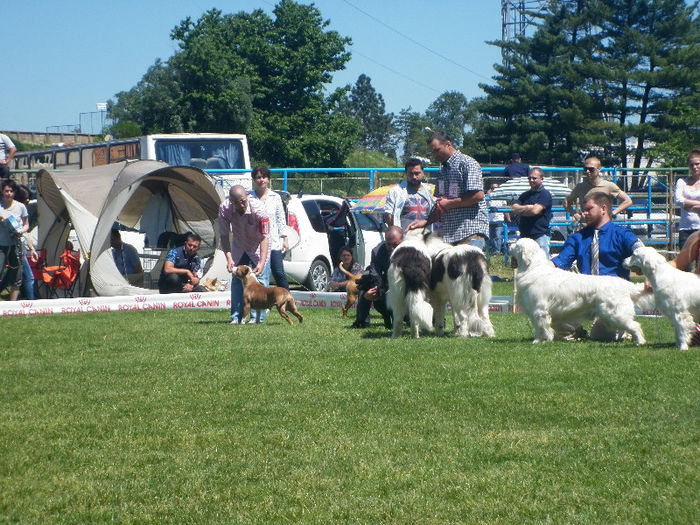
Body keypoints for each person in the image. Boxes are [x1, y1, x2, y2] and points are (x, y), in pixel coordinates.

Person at [407, 131, 489, 249]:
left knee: (470, 267)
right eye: (432, 152)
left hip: (471, 230)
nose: (435, 155)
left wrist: (449, 204)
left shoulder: (467, 163)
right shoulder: (441, 171)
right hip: (450, 234)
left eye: (437, 150)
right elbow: (440, 205)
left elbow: (478, 195)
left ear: (448, 144)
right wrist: (425, 222)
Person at [552, 192, 643, 279]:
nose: (584, 213)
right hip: (586, 291)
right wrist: (542, 268)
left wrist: (649, 277)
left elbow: (643, 252)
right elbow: (560, 261)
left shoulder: (622, 235)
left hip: (616, 292)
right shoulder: (577, 238)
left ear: (603, 209)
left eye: (589, 209)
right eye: (583, 210)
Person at [219, 184, 270, 324]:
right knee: (236, 281)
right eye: (237, 202)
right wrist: (229, 258)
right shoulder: (225, 208)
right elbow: (224, 235)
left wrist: (261, 262)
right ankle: (235, 317)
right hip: (238, 247)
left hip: (258, 247)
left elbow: (265, 236)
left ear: (247, 196)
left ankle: (256, 318)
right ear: (231, 202)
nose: (241, 205)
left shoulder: (259, 208)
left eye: (243, 201)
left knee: (261, 281)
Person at [350, 225, 404, 329]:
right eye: (388, 244)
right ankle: (361, 321)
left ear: (403, 241)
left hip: (405, 287)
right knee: (365, 282)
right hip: (385, 282)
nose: (392, 248)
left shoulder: (411, 251)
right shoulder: (377, 251)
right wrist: (377, 290)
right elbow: (375, 273)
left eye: (395, 245)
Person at [249, 165, 289, 289]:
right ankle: (261, 302)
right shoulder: (249, 197)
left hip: (274, 242)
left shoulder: (275, 197)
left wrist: (285, 238)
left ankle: (288, 300)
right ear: (254, 179)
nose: (262, 180)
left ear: (268, 179)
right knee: (258, 273)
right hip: (255, 243)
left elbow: (281, 219)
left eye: (264, 177)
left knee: (278, 272)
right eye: (258, 177)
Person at [563, 156, 633, 224]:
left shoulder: (609, 186)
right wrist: (574, 214)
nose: (587, 171)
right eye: (585, 169)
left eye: (591, 169)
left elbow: (628, 201)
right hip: (586, 227)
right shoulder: (580, 187)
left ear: (599, 169)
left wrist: (613, 213)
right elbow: (566, 202)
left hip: (604, 228)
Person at [510, 167, 553, 255]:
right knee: (523, 265)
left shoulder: (545, 194)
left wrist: (522, 210)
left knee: (542, 265)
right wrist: (529, 207)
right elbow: (514, 209)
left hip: (540, 236)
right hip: (524, 236)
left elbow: (535, 211)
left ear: (541, 179)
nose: (531, 180)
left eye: (534, 178)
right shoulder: (524, 195)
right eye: (529, 178)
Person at [384, 158, 435, 230]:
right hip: (405, 237)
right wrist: (396, 232)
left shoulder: (428, 190)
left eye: (417, 173)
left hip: (424, 237)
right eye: (411, 174)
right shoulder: (396, 191)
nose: (414, 177)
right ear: (406, 174)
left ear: (423, 173)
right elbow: (388, 214)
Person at [0, 179, 28, 300]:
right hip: (1, 245)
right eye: (7, 191)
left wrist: (20, 231)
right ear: (2, 192)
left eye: (11, 191)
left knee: (17, 275)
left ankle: (13, 305)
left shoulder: (20, 207)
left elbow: (26, 225)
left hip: (16, 245)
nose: (9, 193)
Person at [673, 149, 700, 251]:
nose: (694, 167)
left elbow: (683, 201)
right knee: (684, 265)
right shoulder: (682, 182)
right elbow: (678, 200)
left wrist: (687, 203)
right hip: (685, 229)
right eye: (691, 165)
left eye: (697, 164)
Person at [486, 182, 510, 255]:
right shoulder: (488, 197)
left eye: (496, 188)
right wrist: (488, 194)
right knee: (491, 237)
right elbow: (484, 204)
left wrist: (508, 218)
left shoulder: (502, 197)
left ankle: (497, 251)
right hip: (490, 220)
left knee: (497, 236)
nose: (494, 189)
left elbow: (505, 209)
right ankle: (492, 251)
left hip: (499, 219)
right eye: (492, 188)